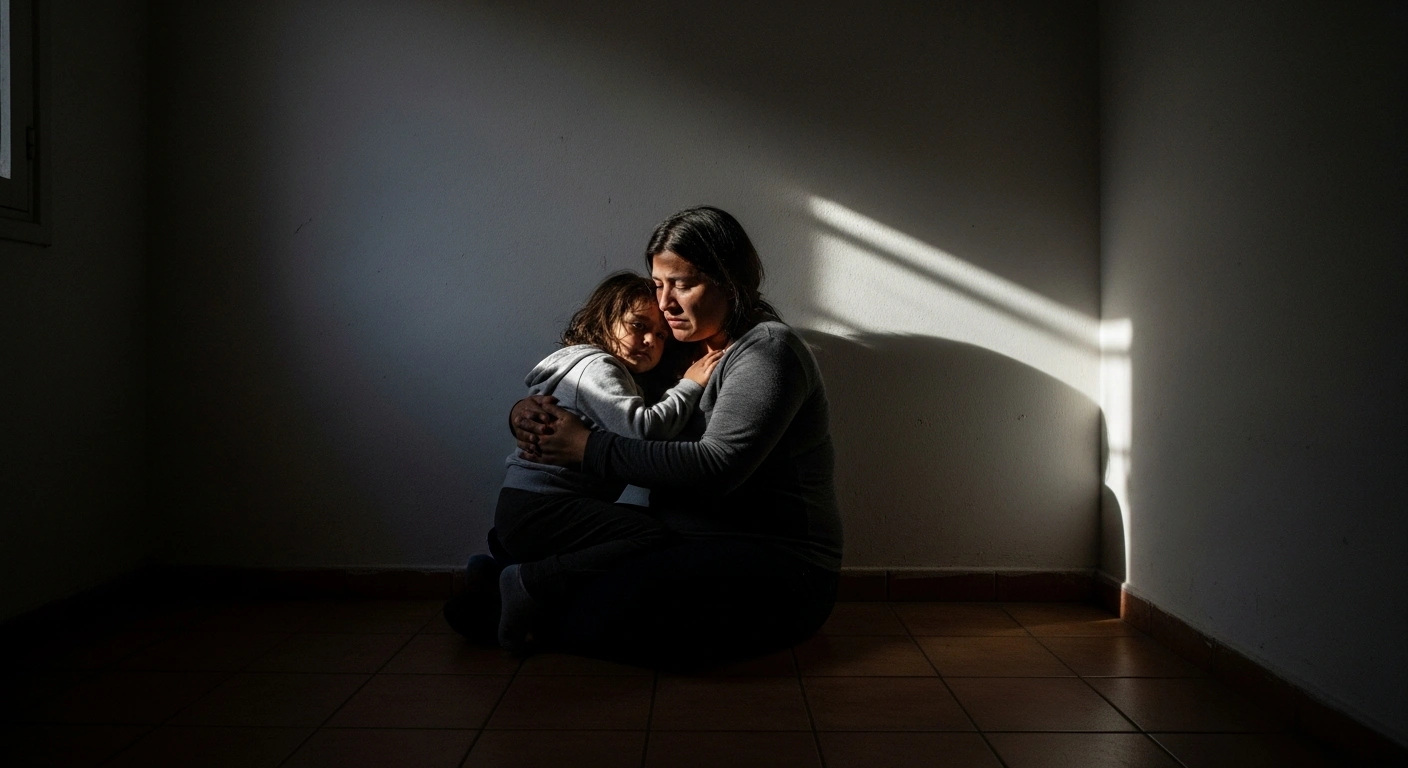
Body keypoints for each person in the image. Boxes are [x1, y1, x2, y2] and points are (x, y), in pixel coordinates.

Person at [510, 206, 843, 669]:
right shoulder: (673, 352)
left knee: (594, 614)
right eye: (658, 284)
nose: (664, 303)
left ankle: (502, 603)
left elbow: (716, 469)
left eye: (682, 284)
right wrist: (526, 413)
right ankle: (510, 593)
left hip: (779, 564)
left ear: (730, 283)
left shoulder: (767, 352)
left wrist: (586, 447)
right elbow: (602, 401)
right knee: (523, 537)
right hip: (682, 541)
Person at [445, 272, 723, 647]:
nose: (649, 341)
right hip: (541, 508)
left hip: (528, 508)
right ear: (603, 319)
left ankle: (493, 574)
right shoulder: (599, 369)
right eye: (638, 326)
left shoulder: (587, 366)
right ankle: (524, 582)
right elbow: (642, 431)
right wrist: (690, 384)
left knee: (626, 533)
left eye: (660, 336)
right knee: (649, 535)